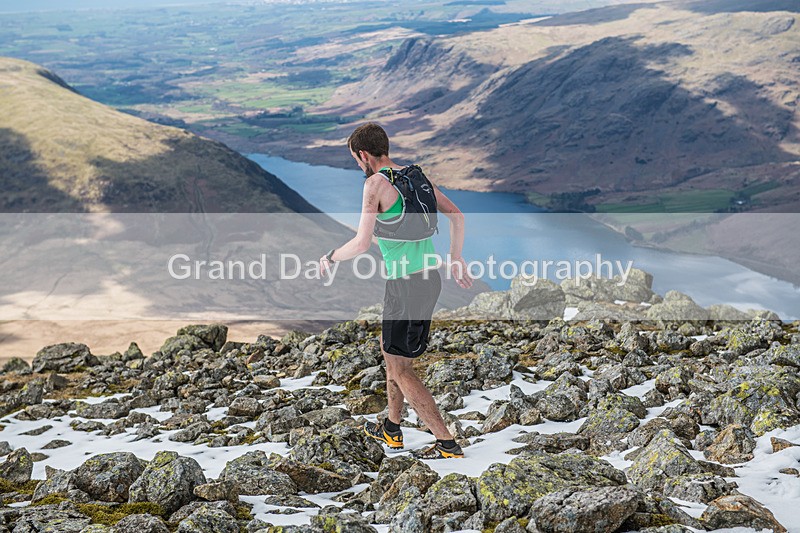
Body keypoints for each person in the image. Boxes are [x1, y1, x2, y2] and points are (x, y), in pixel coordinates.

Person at [318, 122, 473, 459]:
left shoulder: (375, 185)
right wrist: (456, 258)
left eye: (356, 160)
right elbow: (457, 216)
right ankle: (392, 428)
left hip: (404, 285)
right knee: (392, 354)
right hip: (429, 279)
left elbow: (361, 244)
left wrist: (330, 257)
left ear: (363, 155)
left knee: (401, 369)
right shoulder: (418, 177)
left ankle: (447, 443)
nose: (358, 166)